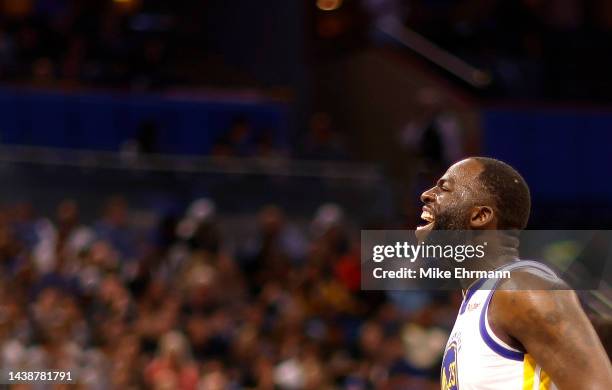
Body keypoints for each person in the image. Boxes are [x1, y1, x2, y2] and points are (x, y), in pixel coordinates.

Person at [417, 157, 612, 389]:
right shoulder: (481, 300)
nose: (426, 194)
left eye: (444, 188)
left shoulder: (520, 288)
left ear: (480, 216)